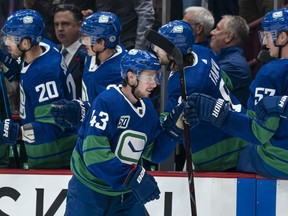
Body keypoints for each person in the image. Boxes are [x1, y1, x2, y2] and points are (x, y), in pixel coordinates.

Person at [64, 49, 186, 215]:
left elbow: (154, 153)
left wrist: (175, 130)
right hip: (89, 193)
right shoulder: (106, 102)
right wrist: (131, 177)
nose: (155, 83)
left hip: (125, 195)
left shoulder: (148, 109)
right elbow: (94, 155)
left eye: (157, 77)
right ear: (131, 77)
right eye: (149, 77)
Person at [186, 8, 288, 178]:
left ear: (282, 37)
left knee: (235, 153)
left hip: (278, 163)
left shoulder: (270, 73)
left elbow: (258, 134)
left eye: (268, 36)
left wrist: (219, 114)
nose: (265, 43)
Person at [150, 20, 247, 172]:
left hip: (220, 153)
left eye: (160, 47)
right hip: (240, 131)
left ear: (174, 51)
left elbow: (170, 123)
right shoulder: (201, 51)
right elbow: (227, 82)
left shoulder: (184, 84)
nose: (155, 49)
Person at [0, 9, 78, 169]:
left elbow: (52, 127)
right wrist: (4, 58)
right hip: (49, 155)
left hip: (55, 158)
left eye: (10, 38)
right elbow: (24, 71)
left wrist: (15, 132)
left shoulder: (43, 75)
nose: (6, 42)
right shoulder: (43, 47)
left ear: (25, 43)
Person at [210, 15, 252, 107]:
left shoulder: (234, 66)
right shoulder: (225, 59)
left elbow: (203, 87)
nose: (212, 32)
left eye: (217, 29)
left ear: (228, 36)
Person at [82, 0, 155, 50]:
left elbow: (145, 13)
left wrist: (139, 49)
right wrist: (93, 17)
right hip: (102, 44)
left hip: (127, 43)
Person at [54, 3, 86, 99]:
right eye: (56, 24)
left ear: (79, 25)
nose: (60, 29)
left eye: (65, 24)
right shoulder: (52, 52)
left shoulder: (88, 54)